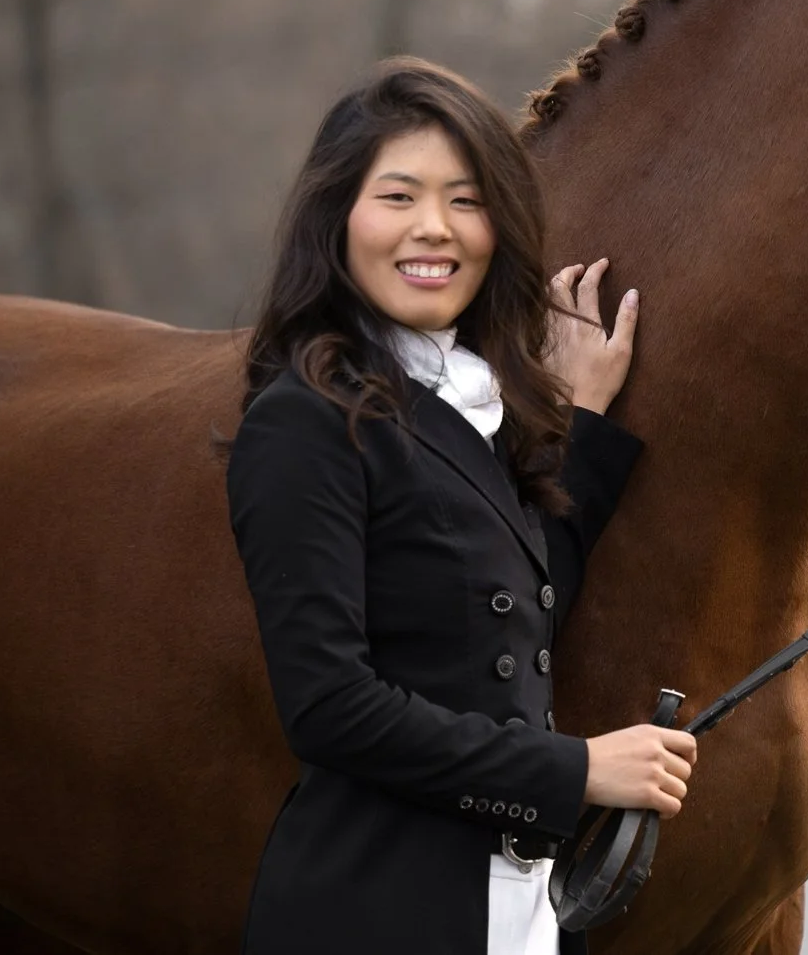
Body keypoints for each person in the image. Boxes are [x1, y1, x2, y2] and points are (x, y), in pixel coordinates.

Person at [225, 57, 697, 955]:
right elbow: (328, 706)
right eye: (398, 197)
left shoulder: (467, 408)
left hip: (518, 911)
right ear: (339, 218)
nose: (433, 229)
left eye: (466, 201)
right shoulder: (304, 422)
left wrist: (582, 425)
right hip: (378, 913)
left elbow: (512, 605)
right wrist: (580, 769)